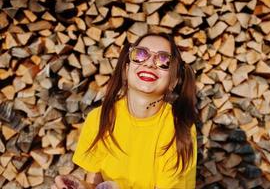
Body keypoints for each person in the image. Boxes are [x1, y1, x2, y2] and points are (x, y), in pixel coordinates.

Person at [51, 32, 198, 189]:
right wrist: (81, 186)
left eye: (163, 60)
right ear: (126, 70)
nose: (149, 64)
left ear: (173, 81)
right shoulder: (99, 118)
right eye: (141, 54)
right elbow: (95, 182)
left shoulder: (179, 129)